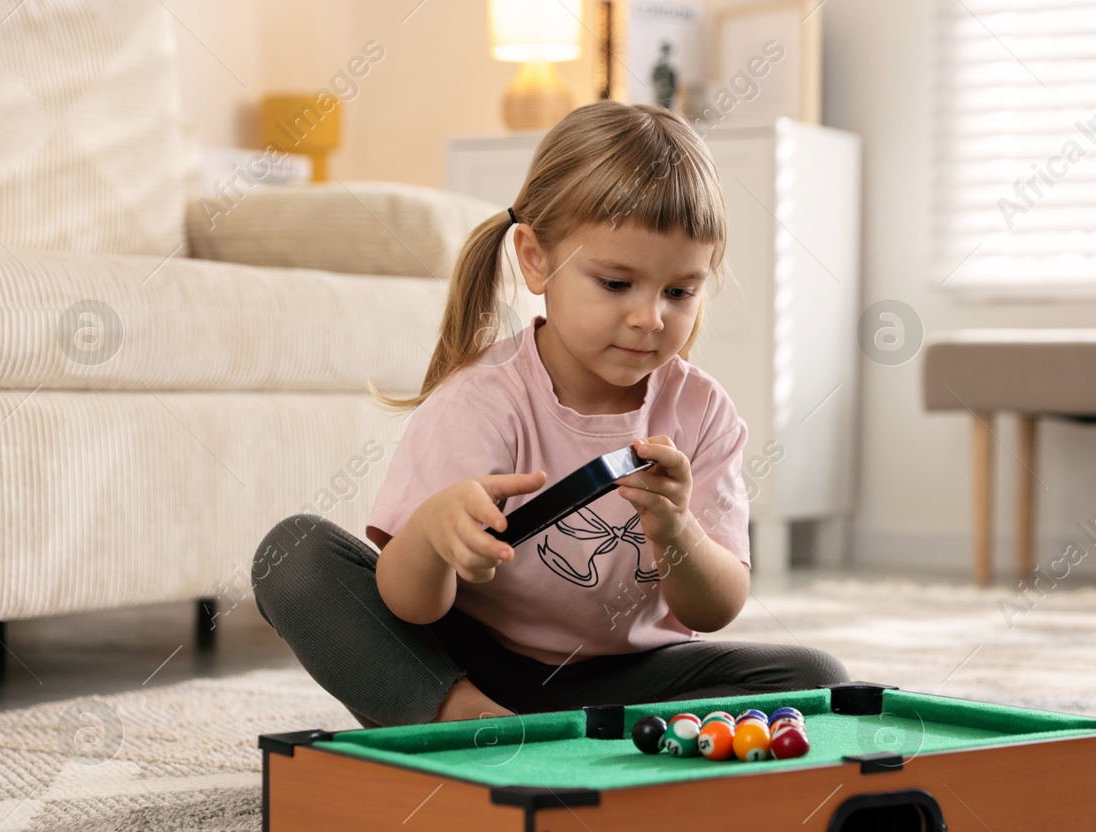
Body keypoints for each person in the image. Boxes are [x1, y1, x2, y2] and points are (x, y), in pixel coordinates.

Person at [251, 101, 847, 729]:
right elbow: (411, 605)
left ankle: (543, 736)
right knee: (291, 555)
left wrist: (676, 532)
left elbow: (714, 609)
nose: (650, 317)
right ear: (536, 260)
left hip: (625, 679)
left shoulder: (701, 411)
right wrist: (432, 534)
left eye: (680, 291)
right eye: (616, 283)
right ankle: (462, 719)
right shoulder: (482, 400)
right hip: (471, 664)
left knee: (818, 681)